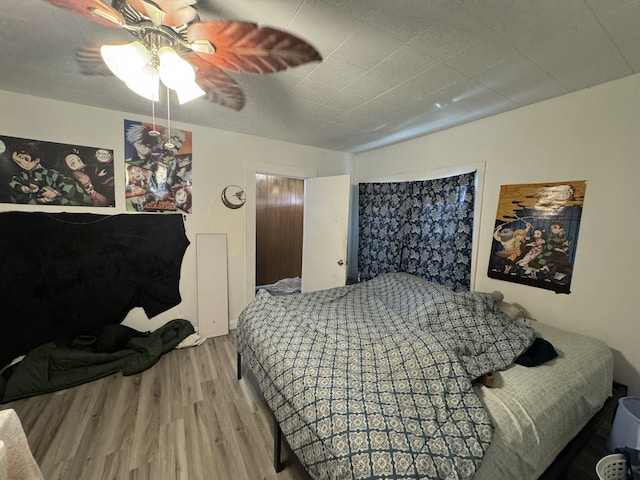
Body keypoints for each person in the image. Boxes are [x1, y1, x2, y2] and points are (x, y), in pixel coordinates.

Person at [8, 142, 91, 206]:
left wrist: (55, 193)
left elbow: (69, 186)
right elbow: (14, 185)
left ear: (37, 159)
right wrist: (25, 189)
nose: (22, 164)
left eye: (25, 159)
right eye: (18, 162)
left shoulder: (49, 173)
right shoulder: (23, 176)